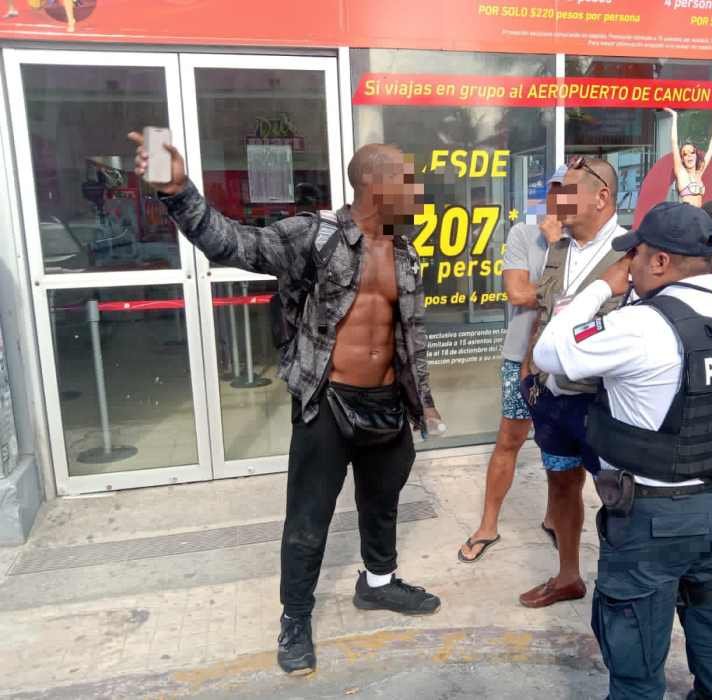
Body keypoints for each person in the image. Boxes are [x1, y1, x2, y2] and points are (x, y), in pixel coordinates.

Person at [129, 134, 443, 675]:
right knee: (308, 519)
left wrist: (424, 405)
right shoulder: (314, 236)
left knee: (382, 504)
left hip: (389, 405)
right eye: (407, 179)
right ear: (373, 184)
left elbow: (406, 336)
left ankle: (378, 584)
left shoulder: (407, 250)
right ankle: (296, 616)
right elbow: (236, 245)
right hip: (329, 402)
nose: (418, 190)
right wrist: (179, 191)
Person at [533, 201, 712, 699]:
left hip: (652, 518)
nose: (630, 264)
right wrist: (711, 449)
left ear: (661, 262)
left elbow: (549, 351)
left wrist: (605, 284)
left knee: (635, 657)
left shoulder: (642, 326)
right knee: (709, 616)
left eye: (636, 256)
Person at [518, 155, 627, 608]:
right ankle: (567, 577)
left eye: (568, 189)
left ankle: (623, 585)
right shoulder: (558, 250)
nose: (558, 197)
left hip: (604, 408)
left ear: (601, 196)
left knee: (619, 497)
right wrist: (529, 374)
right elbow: (544, 313)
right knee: (561, 483)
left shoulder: (631, 253)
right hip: (554, 401)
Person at [457, 166, 566, 563]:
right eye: (555, 190)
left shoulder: (587, 242)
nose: (561, 199)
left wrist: (557, 272)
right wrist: (560, 286)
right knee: (509, 441)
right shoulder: (524, 234)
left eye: (569, 191)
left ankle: (555, 518)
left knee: (562, 448)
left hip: (570, 362)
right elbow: (518, 293)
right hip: (520, 355)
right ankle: (488, 524)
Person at [665, 108, 712, 207]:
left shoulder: (699, 173)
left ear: (696, 155)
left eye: (692, 152)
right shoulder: (681, 173)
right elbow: (674, 143)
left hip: (700, 218)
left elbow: (711, 148)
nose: (689, 156)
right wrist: (674, 117)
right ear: (682, 159)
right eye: (685, 154)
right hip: (686, 219)